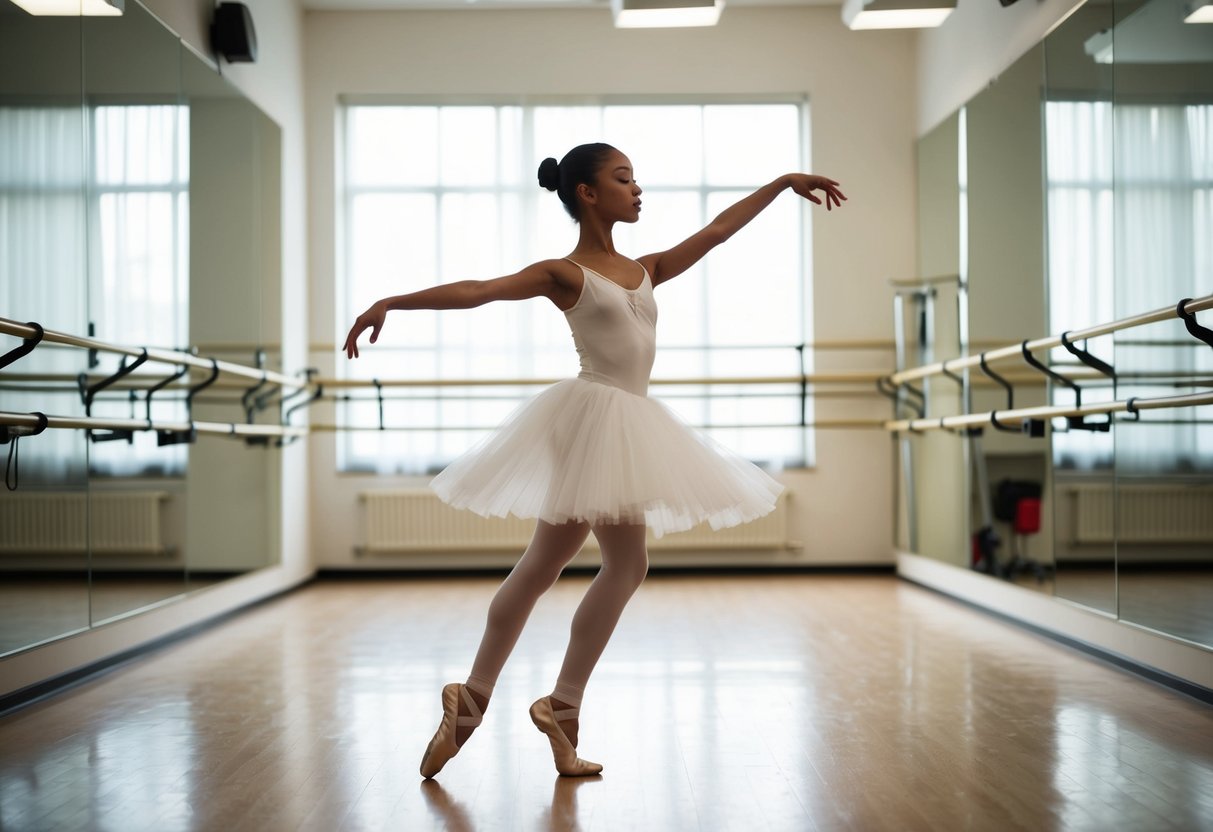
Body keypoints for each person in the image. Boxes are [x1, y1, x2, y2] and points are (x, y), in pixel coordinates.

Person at [343, 143, 845, 779]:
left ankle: (478, 699)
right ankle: (555, 705)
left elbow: (717, 232)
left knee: (546, 564)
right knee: (621, 562)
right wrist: (392, 302)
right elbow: (481, 290)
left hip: (623, 420)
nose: (637, 190)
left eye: (636, 179)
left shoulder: (645, 267)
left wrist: (780, 183)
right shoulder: (565, 274)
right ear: (587, 192)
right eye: (623, 179)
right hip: (595, 419)